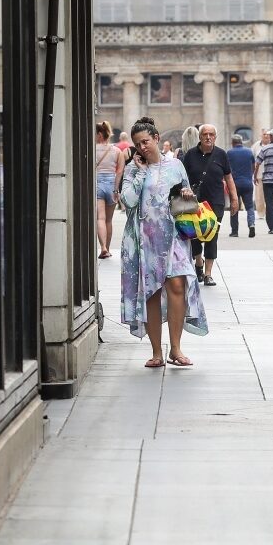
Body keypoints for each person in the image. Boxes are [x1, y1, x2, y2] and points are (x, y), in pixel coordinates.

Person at [119, 117, 208, 368]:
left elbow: (186, 194)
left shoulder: (176, 165)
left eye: (145, 141)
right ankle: (157, 352)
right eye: (137, 144)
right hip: (145, 239)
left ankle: (176, 349)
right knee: (152, 292)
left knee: (178, 285)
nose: (142, 147)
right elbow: (128, 200)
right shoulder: (133, 169)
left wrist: (187, 193)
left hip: (174, 236)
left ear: (156, 139)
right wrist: (141, 172)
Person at [180, 124, 237, 287]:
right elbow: (183, 178)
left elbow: (229, 177)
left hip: (215, 202)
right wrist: (183, 190)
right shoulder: (190, 155)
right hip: (194, 202)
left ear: (215, 137)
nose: (208, 137)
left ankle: (208, 274)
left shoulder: (221, 154)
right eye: (205, 134)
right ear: (200, 137)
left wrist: (234, 198)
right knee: (194, 235)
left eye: (211, 134)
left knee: (212, 236)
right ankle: (198, 261)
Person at [92, 121, 125, 259]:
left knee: (100, 218)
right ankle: (108, 248)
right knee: (108, 220)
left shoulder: (92, 149)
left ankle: (103, 247)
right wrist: (116, 190)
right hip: (111, 184)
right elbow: (120, 171)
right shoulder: (117, 151)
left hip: (97, 183)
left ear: (99, 134)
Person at [226, 132, 258, 237]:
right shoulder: (249, 152)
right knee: (249, 206)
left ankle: (234, 231)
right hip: (247, 183)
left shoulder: (229, 153)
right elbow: (253, 166)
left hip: (234, 184)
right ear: (241, 142)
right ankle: (251, 224)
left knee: (234, 206)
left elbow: (226, 169)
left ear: (232, 143)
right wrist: (249, 176)